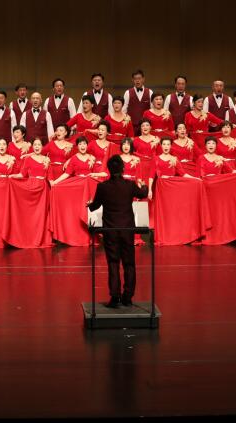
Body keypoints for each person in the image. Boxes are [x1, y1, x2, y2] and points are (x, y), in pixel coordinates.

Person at [86, 155, 149, 308]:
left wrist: (89, 204)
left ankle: (115, 297)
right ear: (123, 168)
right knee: (129, 263)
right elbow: (143, 194)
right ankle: (128, 297)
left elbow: (95, 206)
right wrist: (144, 186)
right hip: (127, 230)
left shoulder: (103, 187)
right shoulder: (130, 185)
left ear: (108, 169)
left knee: (113, 263)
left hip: (111, 230)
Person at [123, 69, 152, 134]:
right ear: (132, 80)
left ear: (143, 79)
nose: (137, 80)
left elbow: (152, 110)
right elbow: (124, 110)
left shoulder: (150, 92)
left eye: (139, 78)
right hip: (132, 126)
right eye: (135, 79)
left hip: (145, 127)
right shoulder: (127, 93)